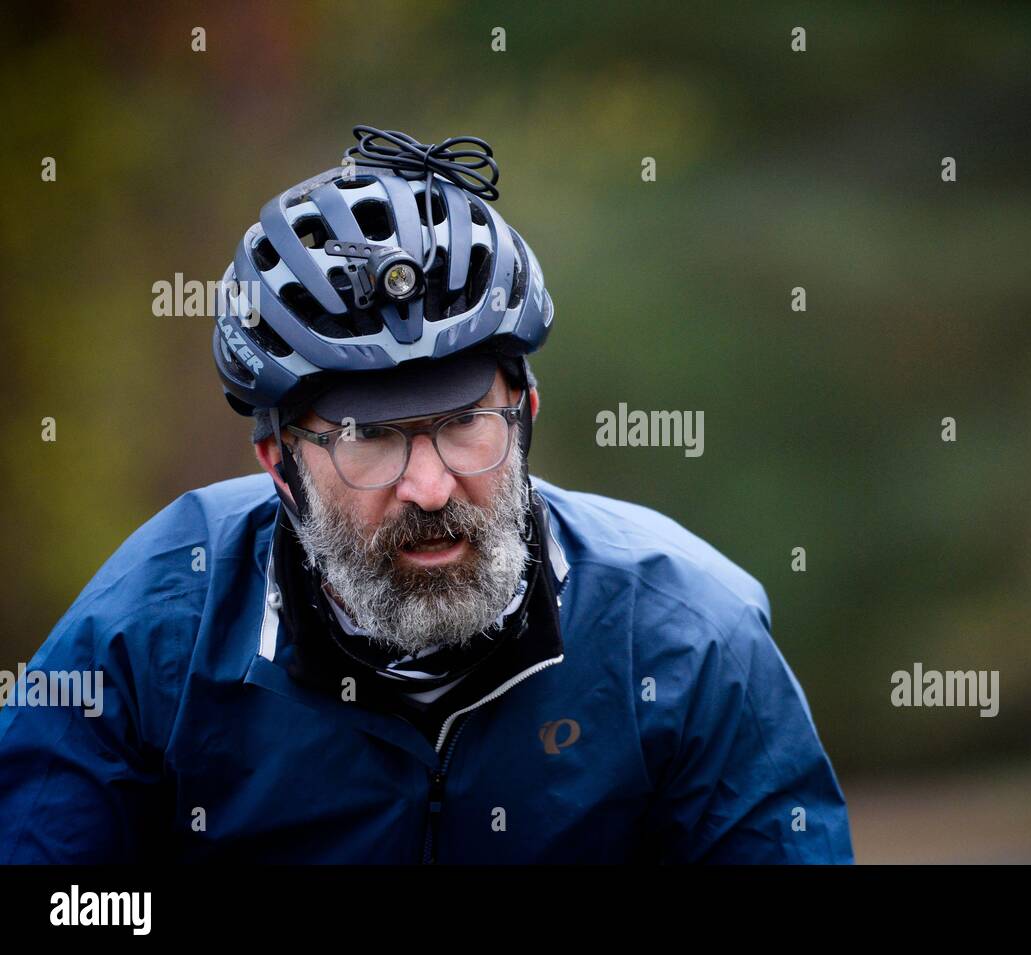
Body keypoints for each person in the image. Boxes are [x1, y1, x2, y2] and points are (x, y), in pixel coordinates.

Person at [0, 127, 854, 863]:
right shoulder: (148, 630)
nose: (432, 484)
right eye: (368, 437)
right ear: (277, 463)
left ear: (524, 418)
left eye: (464, 423)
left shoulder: (689, 637)